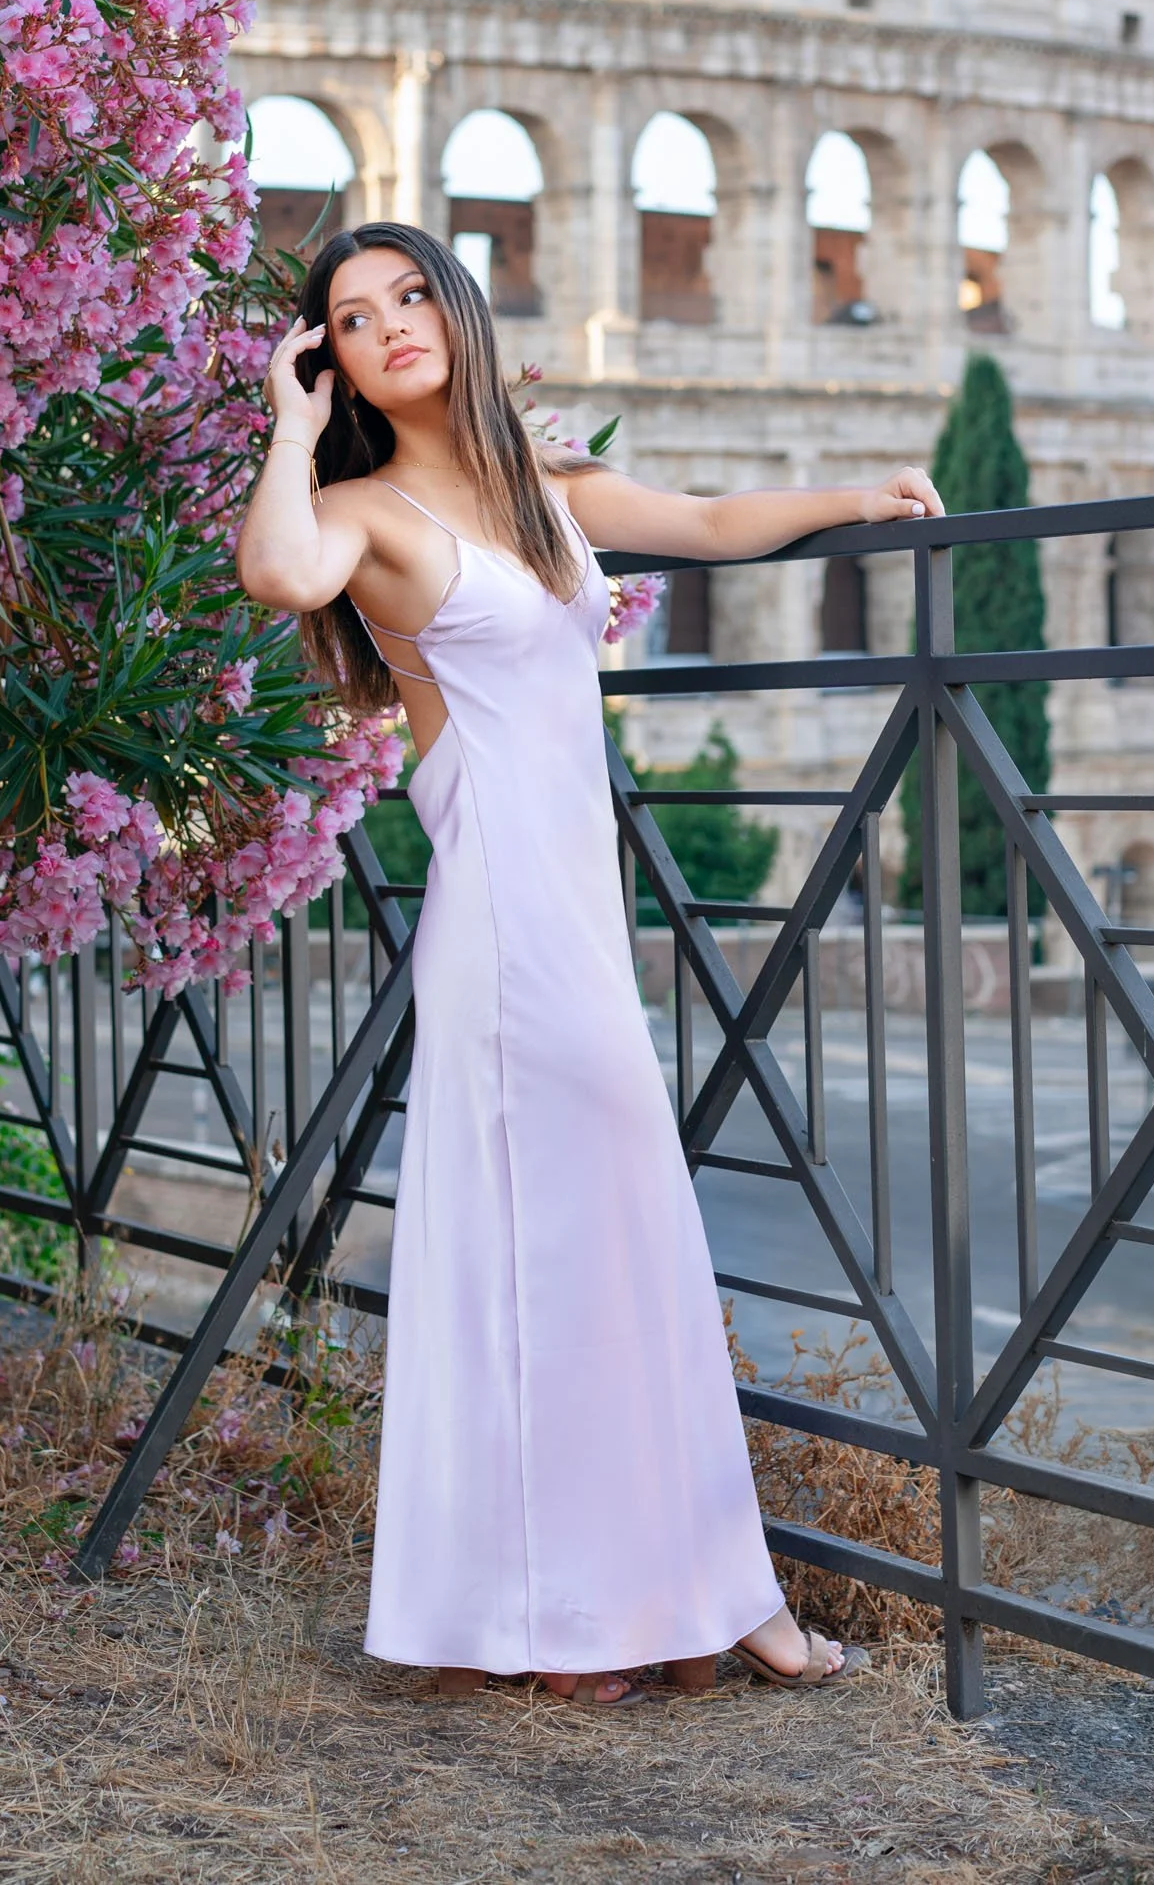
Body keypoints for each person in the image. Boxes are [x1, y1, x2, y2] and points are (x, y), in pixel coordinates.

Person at [236, 221, 943, 1706]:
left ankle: (616, 1607)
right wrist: (288, 426)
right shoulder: (357, 507)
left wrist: (859, 497)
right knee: (563, 1245)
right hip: (500, 926)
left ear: (459, 310)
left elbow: (703, 520)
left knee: (606, 1249)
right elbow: (277, 575)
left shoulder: (545, 491)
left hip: (573, 912)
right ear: (339, 364)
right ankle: (617, 1609)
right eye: (353, 321)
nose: (390, 326)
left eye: (411, 294)